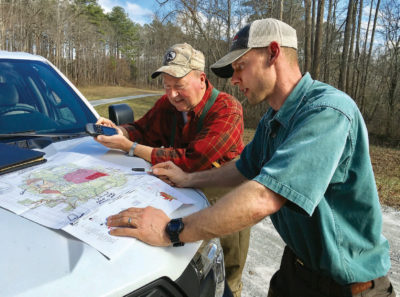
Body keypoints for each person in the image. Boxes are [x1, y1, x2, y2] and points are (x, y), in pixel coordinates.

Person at [106, 19, 396, 297]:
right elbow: (244, 168)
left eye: (240, 66)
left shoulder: (327, 111)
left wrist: (172, 230)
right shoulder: (273, 118)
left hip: (348, 286)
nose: (234, 80)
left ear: (273, 53)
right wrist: (189, 178)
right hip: (296, 270)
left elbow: (264, 197)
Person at [96, 43, 250, 296]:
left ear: (202, 79)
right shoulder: (167, 106)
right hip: (181, 191)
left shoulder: (228, 108)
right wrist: (118, 132)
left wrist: (132, 147)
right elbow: (142, 129)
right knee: (182, 262)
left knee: (226, 272)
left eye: (179, 86)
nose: (173, 95)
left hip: (226, 195)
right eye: (167, 87)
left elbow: (194, 158)